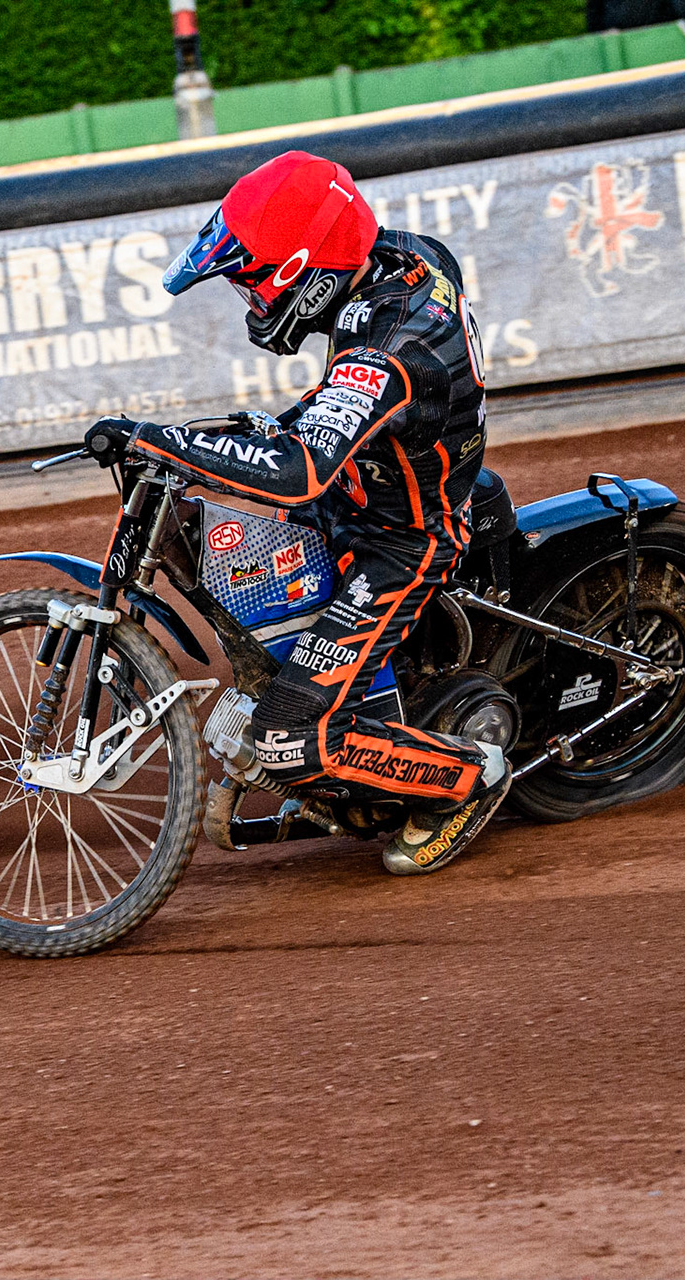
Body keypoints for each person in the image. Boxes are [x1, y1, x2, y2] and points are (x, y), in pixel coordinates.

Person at [126, 149, 509, 875]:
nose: (250, 303)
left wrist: (164, 441)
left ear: (304, 274)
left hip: (404, 541)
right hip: (366, 489)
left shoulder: (392, 349)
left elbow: (302, 471)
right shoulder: (394, 258)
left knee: (288, 739)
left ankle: (467, 780)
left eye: (252, 284)